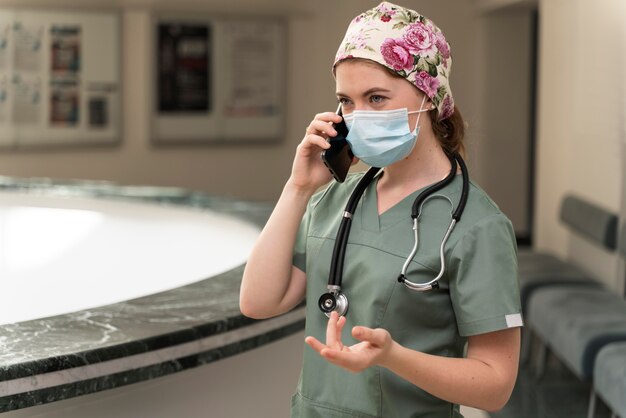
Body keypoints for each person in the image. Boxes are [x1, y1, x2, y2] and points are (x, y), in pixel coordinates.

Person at [240, 2, 522, 417]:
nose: (358, 117)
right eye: (346, 102)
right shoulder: (334, 199)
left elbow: (495, 385)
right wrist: (297, 188)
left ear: (429, 94)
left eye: (376, 97)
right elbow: (258, 302)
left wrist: (393, 357)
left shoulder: (478, 225)